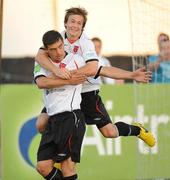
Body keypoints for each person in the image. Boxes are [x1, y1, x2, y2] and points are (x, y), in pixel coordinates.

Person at [35, 7, 155, 149]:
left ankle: (137, 130)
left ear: (83, 27)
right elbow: (39, 56)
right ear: (65, 23)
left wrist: (131, 75)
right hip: (65, 91)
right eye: (72, 21)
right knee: (41, 124)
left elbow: (94, 68)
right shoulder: (58, 39)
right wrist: (58, 72)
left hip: (86, 91)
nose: (75, 25)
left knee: (109, 132)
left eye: (79, 23)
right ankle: (58, 156)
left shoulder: (86, 43)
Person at [34, 30, 87, 180]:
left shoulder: (76, 59)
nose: (58, 52)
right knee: (43, 167)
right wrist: (68, 80)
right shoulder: (41, 62)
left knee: (67, 167)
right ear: (46, 50)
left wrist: (131, 75)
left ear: (63, 44)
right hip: (53, 120)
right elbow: (41, 82)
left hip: (71, 117)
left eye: (60, 47)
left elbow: (96, 69)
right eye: (53, 49)